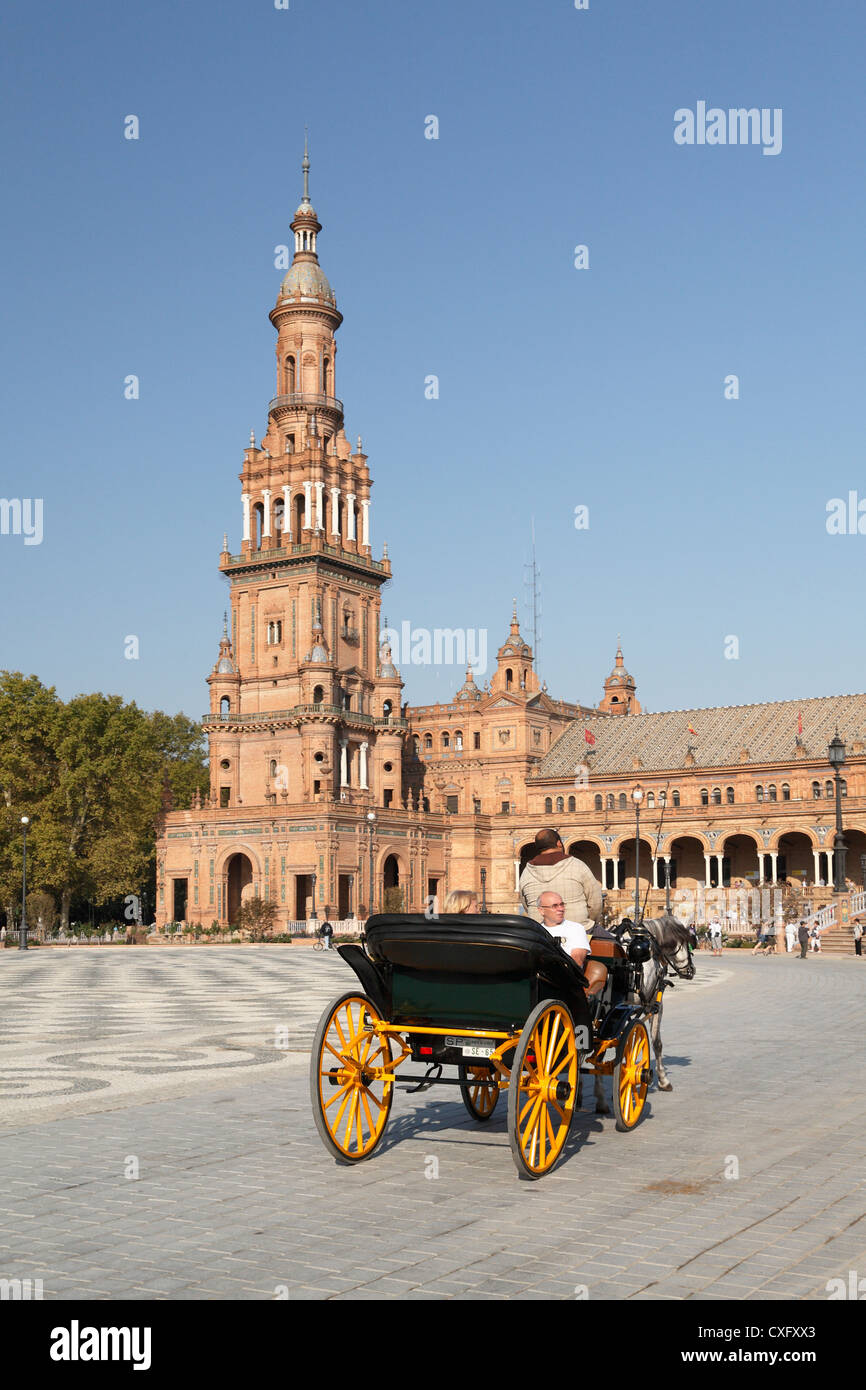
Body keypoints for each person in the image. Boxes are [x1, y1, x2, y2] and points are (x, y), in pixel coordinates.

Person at [519, 828, 602, 928]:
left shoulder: (526, 872)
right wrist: (589, 923)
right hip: (578, 930)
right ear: (559, 843)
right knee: (615, 941)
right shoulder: (577, 865)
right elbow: (595, 903)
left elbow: (526, 904)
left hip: (541, 934)